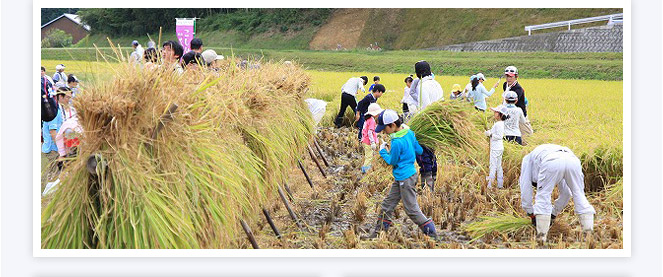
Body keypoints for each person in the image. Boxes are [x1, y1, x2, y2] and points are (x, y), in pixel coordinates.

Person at [362, 109, 438, 240]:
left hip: (405, 178)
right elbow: (419, 150)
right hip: (404, 177)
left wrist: (383, 151)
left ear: (392, 125)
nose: (384, 132)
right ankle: (378, 233)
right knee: (387, 204)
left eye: (384, 129)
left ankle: (431, 233)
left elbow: (393, 160)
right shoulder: (409, 133)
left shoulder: (396, 142)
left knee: (411, 210)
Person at [519, 144, 596, 243]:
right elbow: (566, 193)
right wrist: (553, 214)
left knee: (543, 195)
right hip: (572, 160)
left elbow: (525, 188)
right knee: (579, 194)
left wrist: (531, 213)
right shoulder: (543, 158)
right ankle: (588, 235)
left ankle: (541, 239)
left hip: (551, 161)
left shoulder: (527, 160)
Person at [408, 61, 443, 192]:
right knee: (432, 155)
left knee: (423, 156)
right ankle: (432, 184)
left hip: (427, 125)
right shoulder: (436, 84)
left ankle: (427, 187)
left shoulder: (423, 86)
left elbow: (424, 109)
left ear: (418, 73)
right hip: (437, 126)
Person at [484, 105, 508, 188]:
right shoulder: (499, 124)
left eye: (496, 112)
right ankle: (500, 184)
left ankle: (490, 184)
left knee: (493, 165)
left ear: (500, 115)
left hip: (495, 148)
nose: (494, 113)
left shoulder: (499, 124)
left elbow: (499, 136)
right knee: (498, 166)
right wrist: (489, 132)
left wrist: (490, 134)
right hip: (498, 147)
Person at [42, 88, 72, 154]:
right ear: (61, 96)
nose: (69, 100)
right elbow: (53, 132)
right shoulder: (53, 111)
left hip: (57, 148)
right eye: (67, 97)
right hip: (53, 150)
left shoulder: (60, 109)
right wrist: (61, 150)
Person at [360, 103, 383, 173]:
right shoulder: (372, 120)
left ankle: (366, 168)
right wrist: (372, 142)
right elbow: (369, 132)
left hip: (365, 140)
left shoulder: (368, 119)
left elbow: (365, 130)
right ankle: (365, 170)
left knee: (368, 155)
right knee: (369, 157)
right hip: (368, 142)